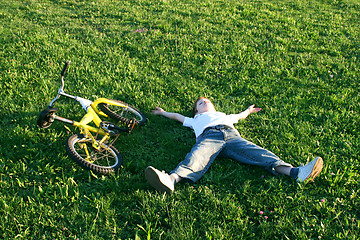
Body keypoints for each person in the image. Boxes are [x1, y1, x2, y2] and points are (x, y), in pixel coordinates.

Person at [145, 97, 323, 193]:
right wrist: (163, 113)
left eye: (207, 100)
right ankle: (172, 179)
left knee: (258, 152)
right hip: (210, 137)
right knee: (197, 156)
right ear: (197, 110)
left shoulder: (225, 115)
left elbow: (240, 116)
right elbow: (177, 116)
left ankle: (295, 172)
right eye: (200, 103)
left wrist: (248, 111)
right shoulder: (195, 119)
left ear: (214, 106)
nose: (204, 102)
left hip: (231, 136)